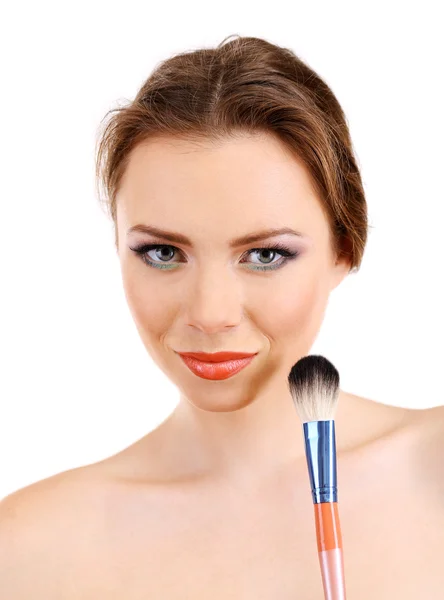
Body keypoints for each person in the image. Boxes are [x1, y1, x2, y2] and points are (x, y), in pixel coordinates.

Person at [1, 34, 443, 599]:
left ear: (344, 249)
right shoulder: (28, 549)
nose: (210, 314)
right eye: (163, 253)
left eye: (264, 256)